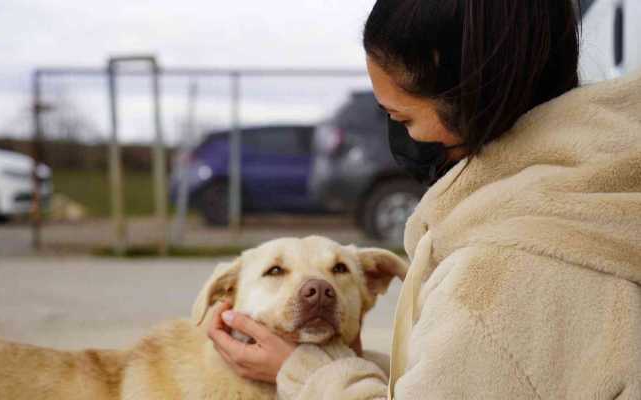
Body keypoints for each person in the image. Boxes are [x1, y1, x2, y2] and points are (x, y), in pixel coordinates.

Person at [208, 1, 641, 398]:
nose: (404, 139)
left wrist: (305, 372)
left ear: (468, 88)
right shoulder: (598, 191)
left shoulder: (500, 269)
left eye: (402, 118)